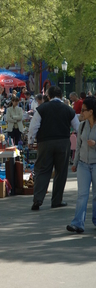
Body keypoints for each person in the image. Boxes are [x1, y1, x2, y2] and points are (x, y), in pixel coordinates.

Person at [28, 86, 79, 210]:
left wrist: (30, 140)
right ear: (61, 96)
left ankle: (38, 200)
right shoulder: (68, 109)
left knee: (43, 171)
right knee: (61, 172)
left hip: (45, 142)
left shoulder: (42, 109)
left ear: (48, 96)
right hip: (63, 142)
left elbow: (34, 126)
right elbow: (78, 127)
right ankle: (56, 200)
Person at [67, 97, 96, 233]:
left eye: (83, 110)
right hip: (84, 164)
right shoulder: (82, 125)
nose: (81, 113)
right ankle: (78, 223)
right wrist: (75, 162)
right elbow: (78, 146)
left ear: (91, 111)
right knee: (82, 194)